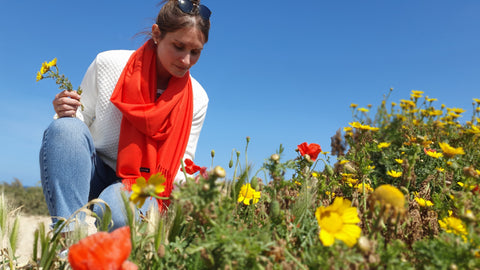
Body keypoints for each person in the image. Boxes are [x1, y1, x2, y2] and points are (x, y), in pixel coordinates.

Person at [40, 0, 211, 231]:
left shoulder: (198, 98)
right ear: (157, 34)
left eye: (195, 52)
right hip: (92, 170)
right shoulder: (109, 64)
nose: (186, 60)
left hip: (142, 185)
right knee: (63, 128)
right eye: (178, 46)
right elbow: (77, 123)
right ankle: (68, 238)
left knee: (118, 215)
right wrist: (65, 110)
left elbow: (181, 161)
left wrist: (195, 185)